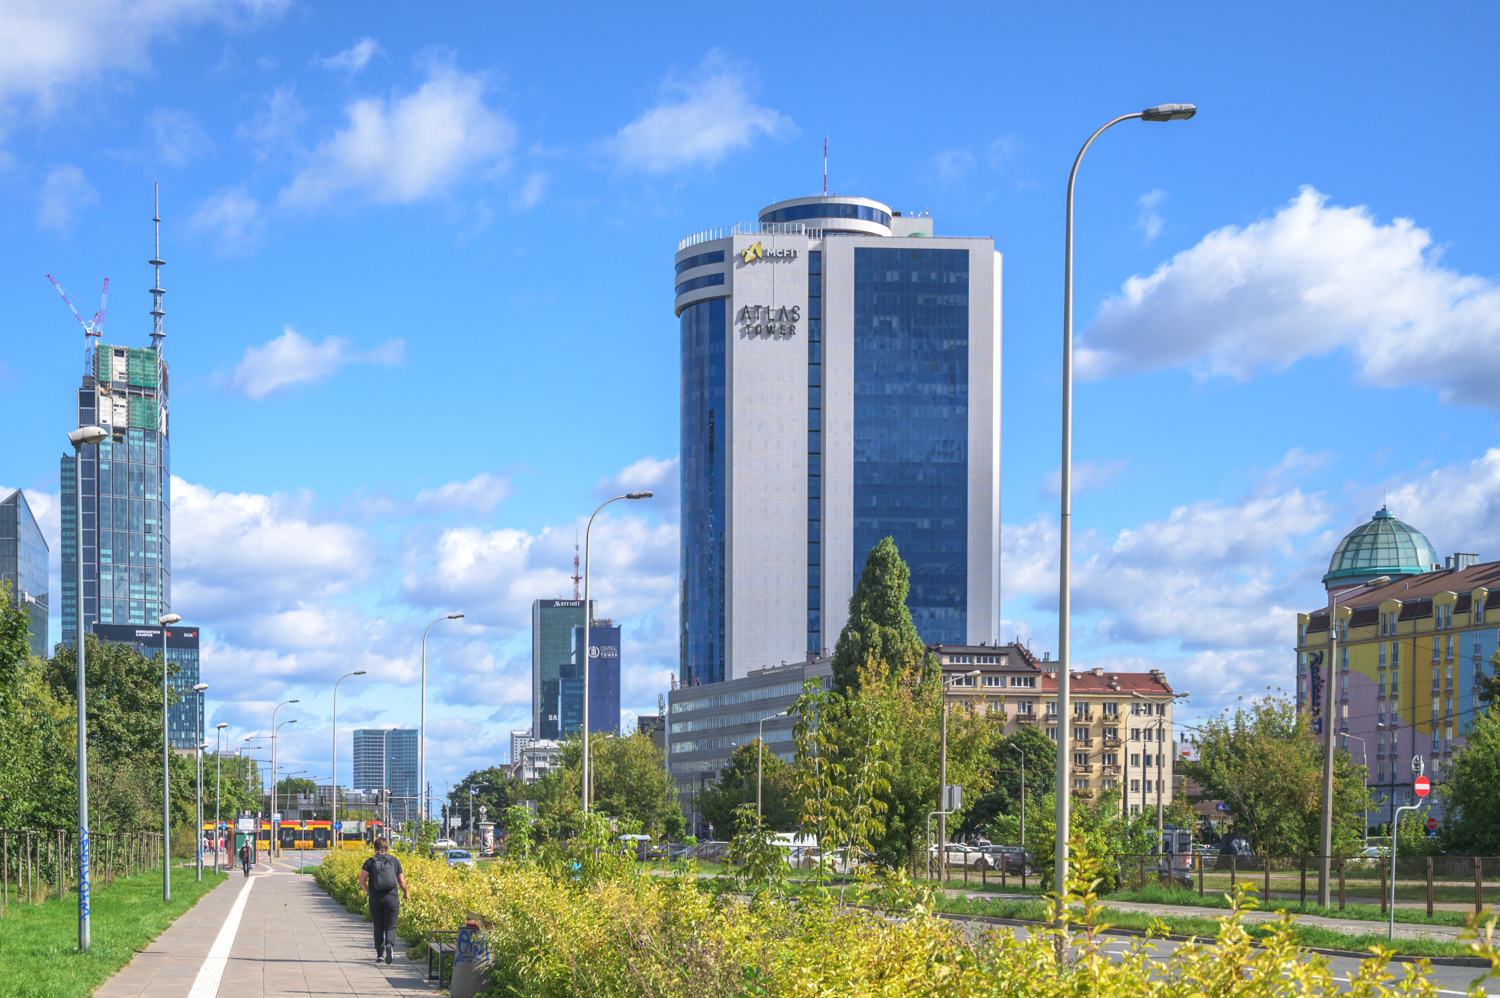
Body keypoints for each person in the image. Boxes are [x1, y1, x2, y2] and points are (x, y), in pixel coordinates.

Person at [358, 837, 409, 966]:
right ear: (387, 847)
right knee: (391, 926)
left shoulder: (370, 862)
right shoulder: (394, 861)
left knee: (378, 926)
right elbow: (401, 881)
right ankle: (389, 944)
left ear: (375, 848)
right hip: (392, 898)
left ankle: (380, 955)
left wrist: (369, 892)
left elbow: (361, 881)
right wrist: (405, 893)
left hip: (376, 899)